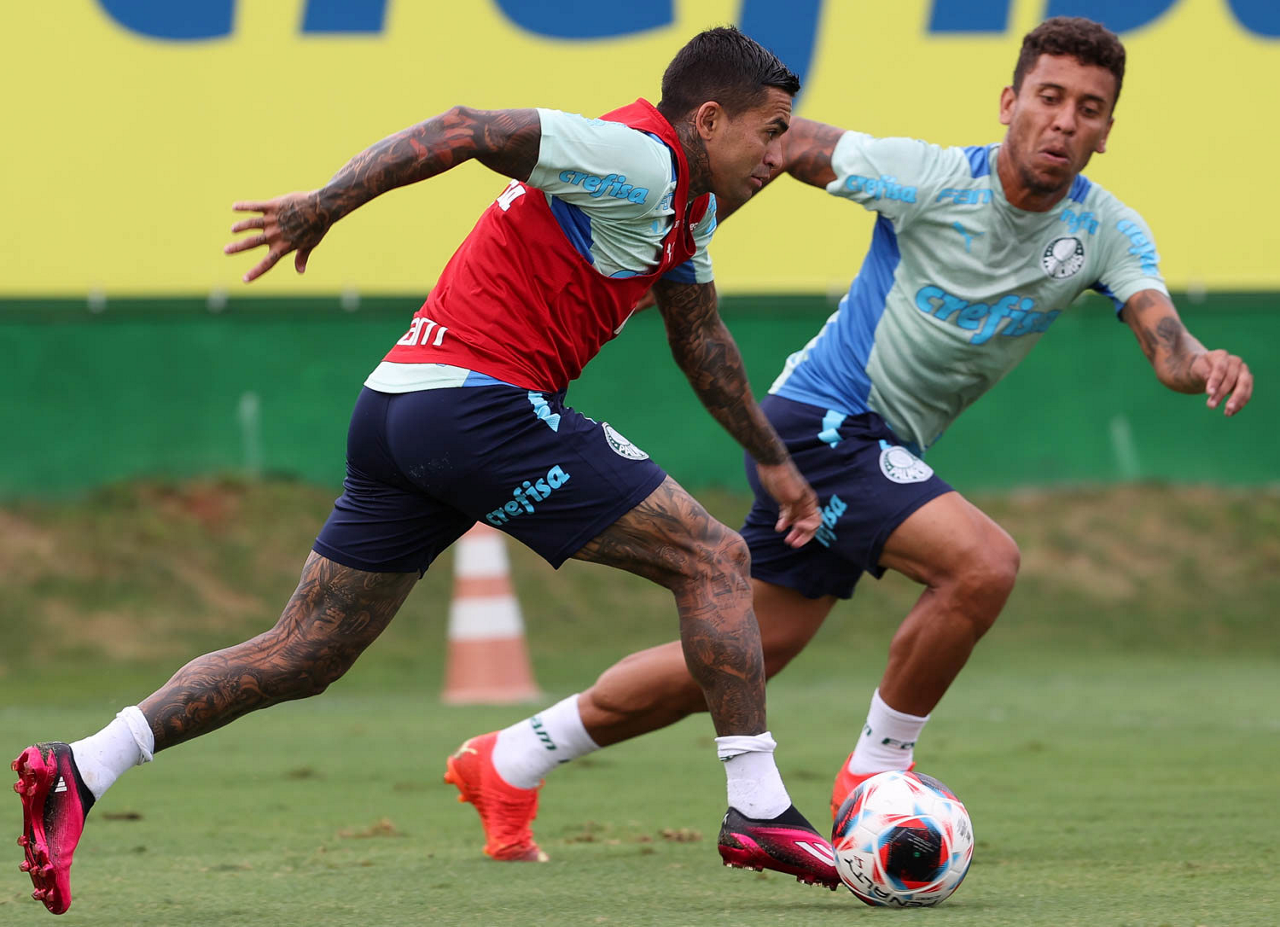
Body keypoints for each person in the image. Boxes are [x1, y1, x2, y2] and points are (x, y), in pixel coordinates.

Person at [10, 27, 849, 916]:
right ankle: (758, 807)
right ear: (708, 120)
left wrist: (774, 461)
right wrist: (323, 205)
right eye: (770, 133)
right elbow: (463, 128)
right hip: (477, 407)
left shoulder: (688, 208)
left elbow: (702, 339)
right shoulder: (636, 157)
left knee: (305, 651)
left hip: (398, 407)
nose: (779, 155)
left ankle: (83, 765)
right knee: (714, 557)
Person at [454, 15, 1254, 864]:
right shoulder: (929, 177)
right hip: (820, 424)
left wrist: (1202, 363)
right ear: (1009, 103)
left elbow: (1166, 342)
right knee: (983, 564)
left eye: (1088, 109)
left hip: (873, 448)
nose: (1064, 121)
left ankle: (509, 759)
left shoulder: (1107, 231)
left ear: (1106, 130)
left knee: (739, 657)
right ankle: (876, 775)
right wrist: (676, 237)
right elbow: (781, 142)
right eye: (1049, 97)